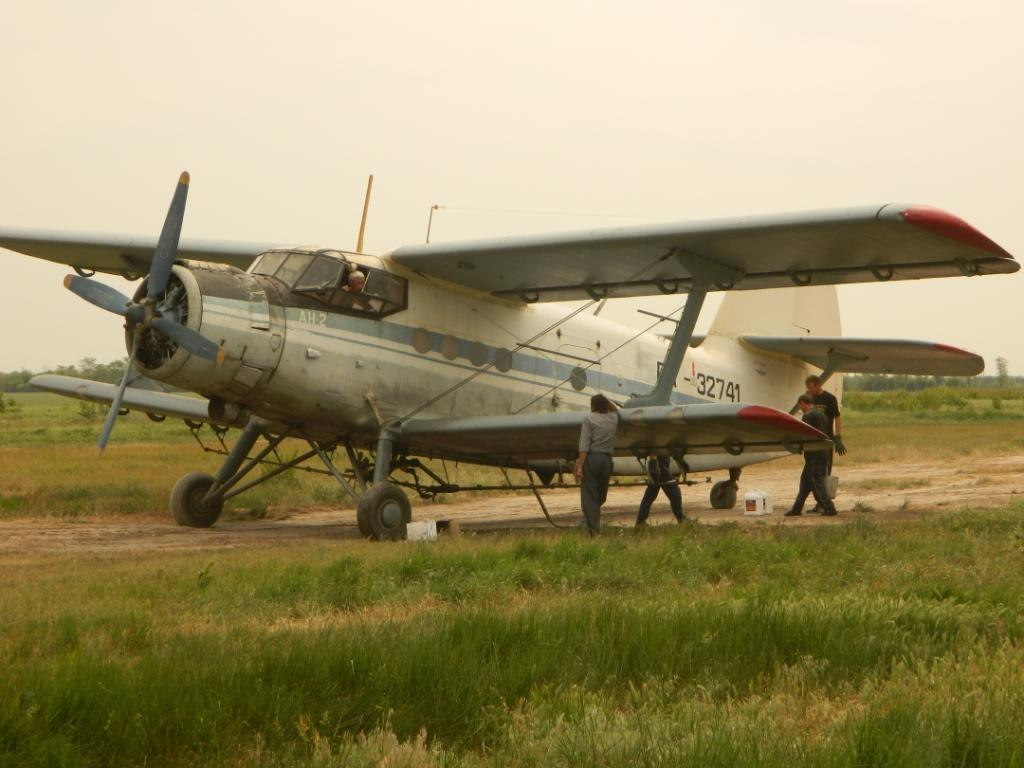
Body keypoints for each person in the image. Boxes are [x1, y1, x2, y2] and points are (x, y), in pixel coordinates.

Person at [785, 394, 838, 517]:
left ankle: (829, 508)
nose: (800, 408)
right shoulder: (822, 415)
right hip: (823, 452)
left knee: (816, 482)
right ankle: (796, 509)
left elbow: (803, 432)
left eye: (800, 405)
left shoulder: (808, 415)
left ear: (802, 403)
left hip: (814, 454)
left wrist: (797, 446)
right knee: (805, 483)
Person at [575, 394, 618, 534]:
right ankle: (589, 523)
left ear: (592, 405)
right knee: (600, 495)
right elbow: (616, 410)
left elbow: (584, 447)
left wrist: (580, 465)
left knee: (589, 495)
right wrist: (608, 402)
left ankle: (592, 529)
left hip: (592, 459)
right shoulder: (613, 419)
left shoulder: (588, 419)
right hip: (607, 460)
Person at [635, 455, 684, 526]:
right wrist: (653, 459)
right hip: (660, 463)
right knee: (674, 491)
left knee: (651, 492)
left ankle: (640, 520)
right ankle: (681, 518)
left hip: (660, 461)